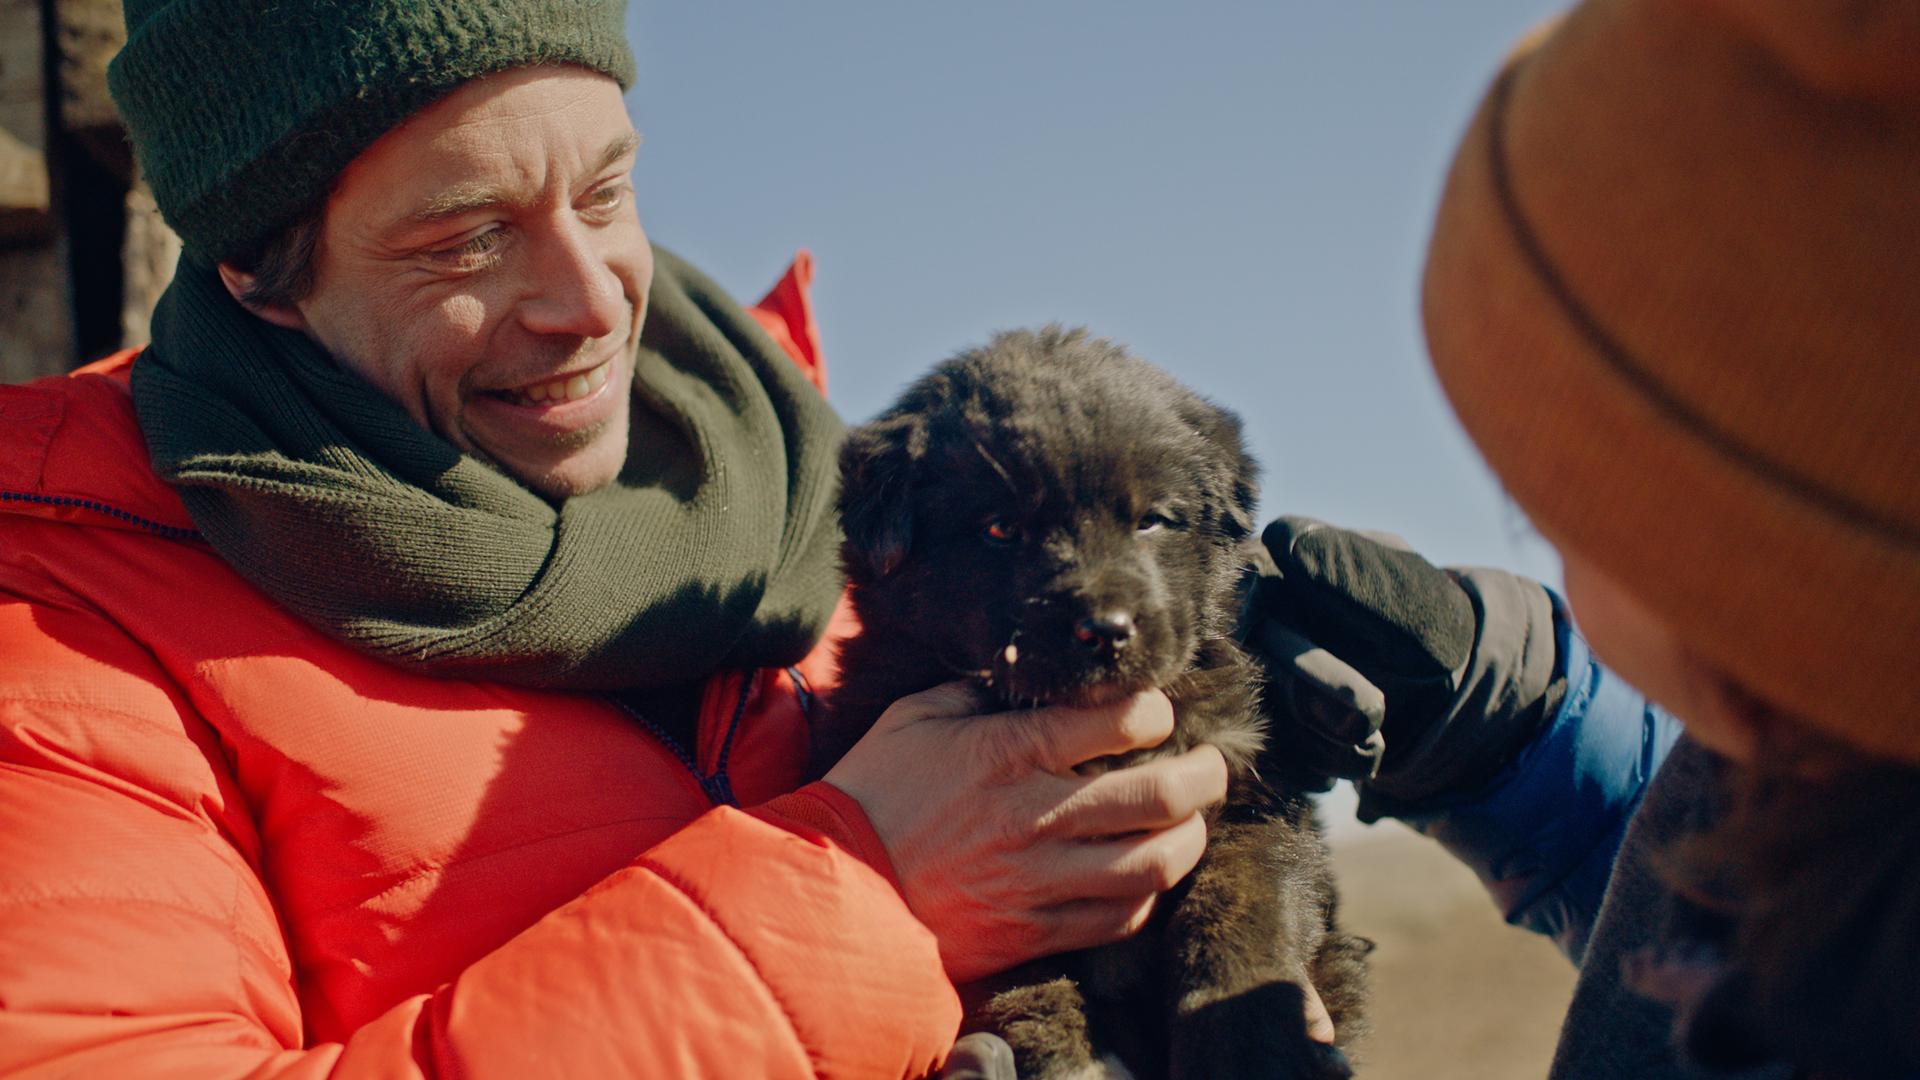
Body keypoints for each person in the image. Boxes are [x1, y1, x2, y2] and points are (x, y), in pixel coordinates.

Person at [0, 2, 1232, 1075]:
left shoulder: (824, 485)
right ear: (257, 273)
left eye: (604, 191)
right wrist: (864, 894)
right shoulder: (69, 610)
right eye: (467, 239)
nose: (590, 302)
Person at [1244, 1, 1919, 1077]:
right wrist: (1504, 719)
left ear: (1759, 598)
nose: (1551, 553)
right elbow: (1724, 896)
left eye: (1559, 514)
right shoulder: (1835, 789)